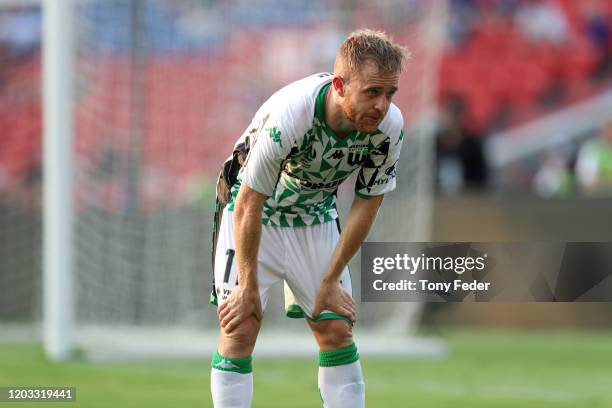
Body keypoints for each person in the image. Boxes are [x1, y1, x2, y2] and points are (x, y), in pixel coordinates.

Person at [209, 29, 409, 408]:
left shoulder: (389, 128)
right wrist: (248, 284)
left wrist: (331, 278)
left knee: (336, 328)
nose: (382, 105)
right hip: (253, 216)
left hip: (314, 216)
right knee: (241, 326)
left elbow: (368, 202)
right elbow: (251, 200)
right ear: (340, 86)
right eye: (371, 92)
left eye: (390, 93)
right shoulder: (292, 114)